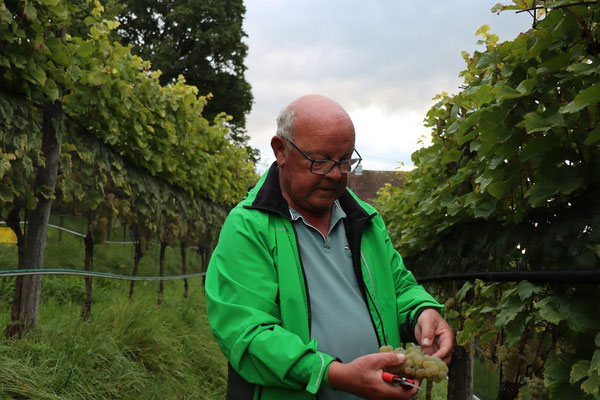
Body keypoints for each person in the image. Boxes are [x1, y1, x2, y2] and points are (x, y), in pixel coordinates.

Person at [205, 94, 453, 400]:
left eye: (345, 160)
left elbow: (398, 287)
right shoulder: (248, 227)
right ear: (280, 151)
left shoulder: (365, 220)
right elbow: (249, 334)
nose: (335, 174)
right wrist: (332, 373)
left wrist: (422, 313)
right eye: (319, 161)